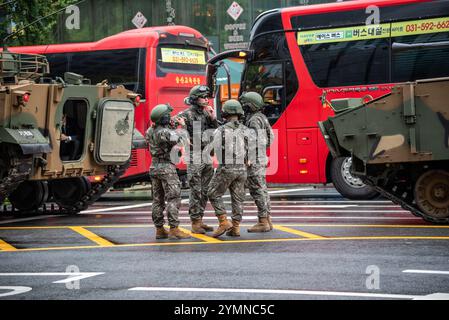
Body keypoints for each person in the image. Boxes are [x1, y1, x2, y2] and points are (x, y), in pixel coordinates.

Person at [145, 104, 191, 240]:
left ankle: (159, 229)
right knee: (173, 198)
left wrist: (171, 126)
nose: (170, 117)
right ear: (164, 118)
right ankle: (174, 229)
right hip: (167, 168)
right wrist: (182, 127)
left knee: (157, 200)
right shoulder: (165, 132)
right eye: (168, 115)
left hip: (154, 166)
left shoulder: (150, 130)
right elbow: (182, 141)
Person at [178, 85, 218, 234]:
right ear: (195, 99)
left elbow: (215, 130)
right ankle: (195, 222)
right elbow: (173, 125)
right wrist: (183, 131)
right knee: (196, 190)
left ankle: (200, 219)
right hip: (194, 156)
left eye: (207, 96)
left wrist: (213, 118)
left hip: (206, 155)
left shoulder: (207, 113)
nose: (206, 99)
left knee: (205, 190)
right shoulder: (186, 114)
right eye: (203, 97)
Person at [207, 99, 249, 238]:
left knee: (213, 193)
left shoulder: (221, 130)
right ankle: (235, 227)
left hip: (227, 167)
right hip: (242, 169)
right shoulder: (245, 129)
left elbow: (212, 151)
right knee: (237, 198)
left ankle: (223, 222)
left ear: (225, 113)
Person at [240, 92, 275, 233]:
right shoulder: (262, 117)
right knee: (263, 189)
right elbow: (270, 137)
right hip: (259, 157)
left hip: (253, 159)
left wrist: (250, 155)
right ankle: (267, 219)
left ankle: (263, 221)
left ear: (250, 105)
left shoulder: (254, 119)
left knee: (257, 190)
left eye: (244, 104)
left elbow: (252, 139)